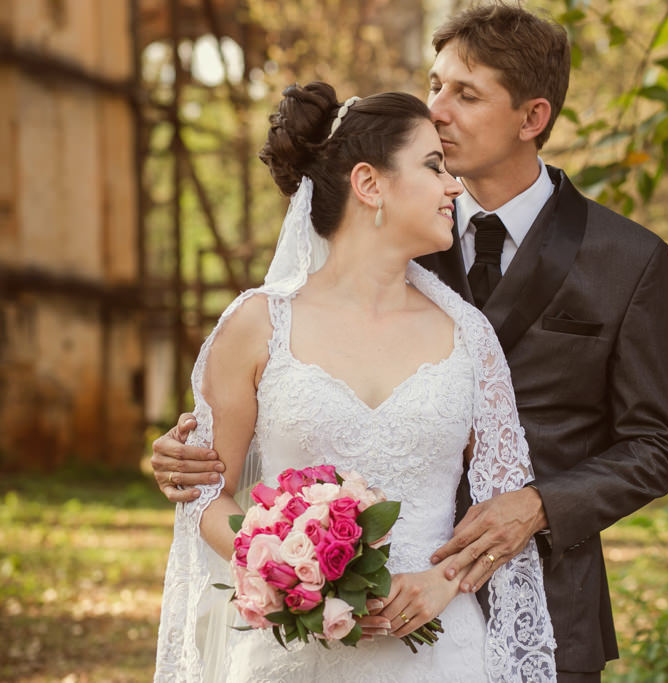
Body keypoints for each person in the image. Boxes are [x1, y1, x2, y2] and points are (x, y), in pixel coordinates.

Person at [153, 3, 668, 680]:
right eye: (434, 85)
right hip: (332, 616)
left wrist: (539, 504)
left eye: (465, 93)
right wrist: (193, 458)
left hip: (544, 602)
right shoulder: (391, 225)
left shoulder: (628, 259)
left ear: (533, 117)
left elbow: (655, 445)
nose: (437, 110)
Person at [154, 85, 556, 681]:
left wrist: (444, 583)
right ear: (370, 185)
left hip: (439, 655)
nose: (453, 186)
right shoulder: (256, 325)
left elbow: (504, 510)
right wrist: (289, 572)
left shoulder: (468, 337)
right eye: (432, 166)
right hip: (290, 657)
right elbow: (207, 494)